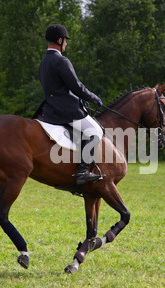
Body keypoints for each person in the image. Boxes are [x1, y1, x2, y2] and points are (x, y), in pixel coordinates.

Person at [38, 24, 104, 185]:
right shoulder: (61, 60)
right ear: (60, 40)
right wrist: (93, 97)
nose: (66, 44)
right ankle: (82, 171)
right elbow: (77, 86)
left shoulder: (44, 61)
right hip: (66, 110)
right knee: (95, 131)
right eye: (65, 41)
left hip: (49, 108)